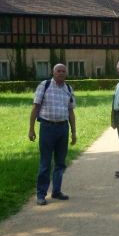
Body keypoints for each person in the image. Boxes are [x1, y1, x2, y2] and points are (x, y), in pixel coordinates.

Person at [28, 63, 77, 206]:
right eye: (58, 71)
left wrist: (74, 132)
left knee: (60, 163)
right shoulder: (45, 85)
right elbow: (35, 108)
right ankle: (41, 194)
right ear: (53, 72)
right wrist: (31, 129)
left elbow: (71, 112)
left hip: (63, 128)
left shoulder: (68, 89)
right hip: (47, 128)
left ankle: (56, 191)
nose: (61, 73)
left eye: (63, 71)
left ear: (66, 73)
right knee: (45, 163)